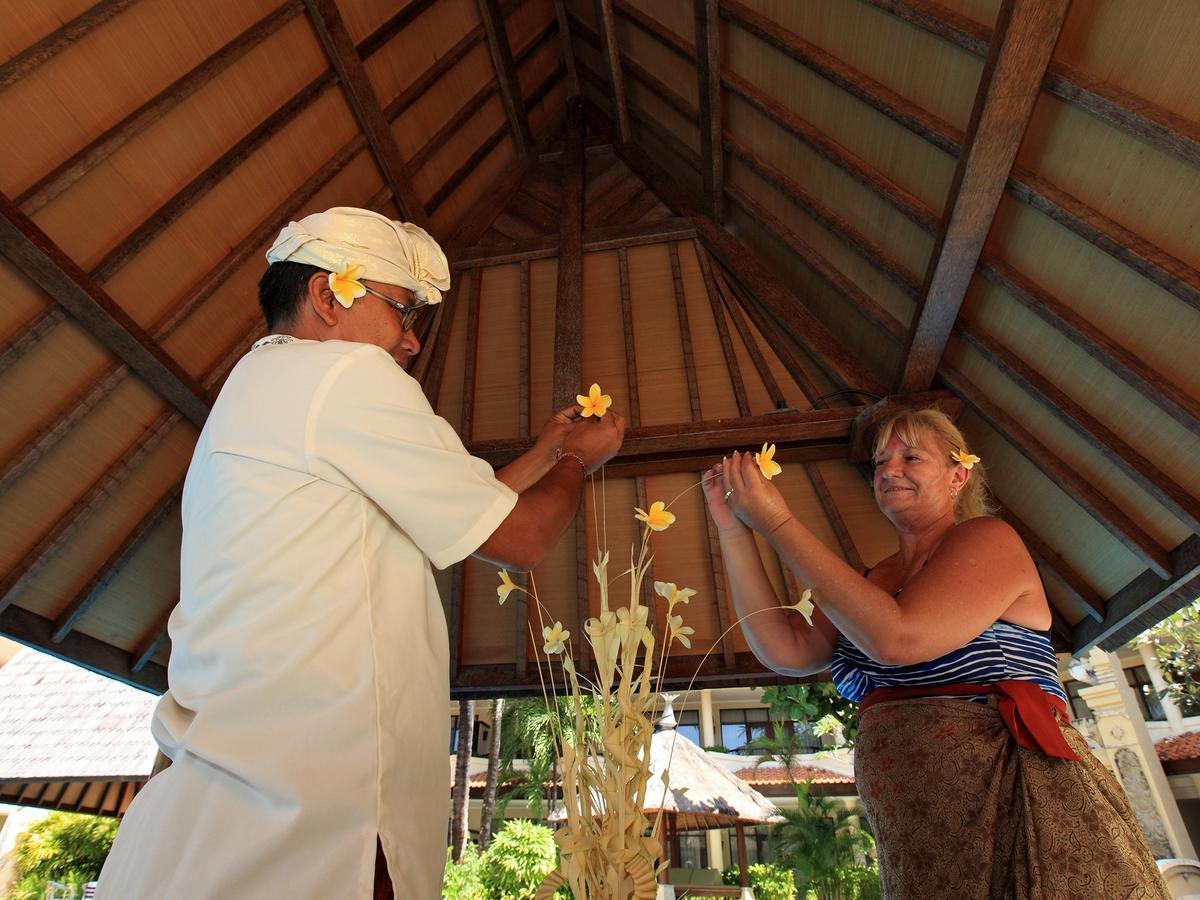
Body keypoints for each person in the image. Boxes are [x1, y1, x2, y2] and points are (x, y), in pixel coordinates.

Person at [97, 207, 625, 898]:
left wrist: (542, 455)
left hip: (210, 815)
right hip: (311, 822)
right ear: (327, 294)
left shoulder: (256, 392)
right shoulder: (346, 376)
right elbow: (521, 538)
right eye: (403, 312)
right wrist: (578, 463)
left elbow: (451, 503)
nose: (409, 343)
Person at [703, 407, 1168, 899]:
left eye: (911, 457)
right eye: (881, 462)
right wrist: (734, 530)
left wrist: (776, 519)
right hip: (917, 826)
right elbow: (788, 651)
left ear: (958, 476)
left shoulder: (989, 539)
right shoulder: (867, 583)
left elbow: (900, 639)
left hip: (1019, 791)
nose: (889, 470)